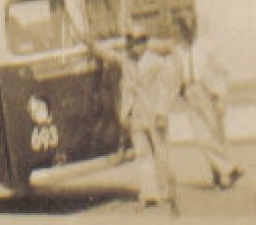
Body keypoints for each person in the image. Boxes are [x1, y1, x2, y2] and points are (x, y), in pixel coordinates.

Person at [83, 24, 177, 211]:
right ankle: (150, 194)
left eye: (138, 43)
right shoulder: (127, 61)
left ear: (145, 43)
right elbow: (109, 55)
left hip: (155, 114)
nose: (135, 48)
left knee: (161, 153)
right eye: (132, 44)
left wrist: (161, 112)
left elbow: (165, 89)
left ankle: (167, 191)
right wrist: (91, 44)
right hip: (137, 115)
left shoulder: (157, 63)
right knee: (142, 155)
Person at [169, 13, 244, 189]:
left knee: (215, 135)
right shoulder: (178, 51)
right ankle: (228, 169)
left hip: (208, 92)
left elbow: (221, 70)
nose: (178, 34)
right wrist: (179, 91)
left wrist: (218, 94)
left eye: (181, 29)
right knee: (202, 137)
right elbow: (175, 74)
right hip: (189, 92)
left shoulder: (205, 47)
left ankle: (222, 174)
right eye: (176, 31)